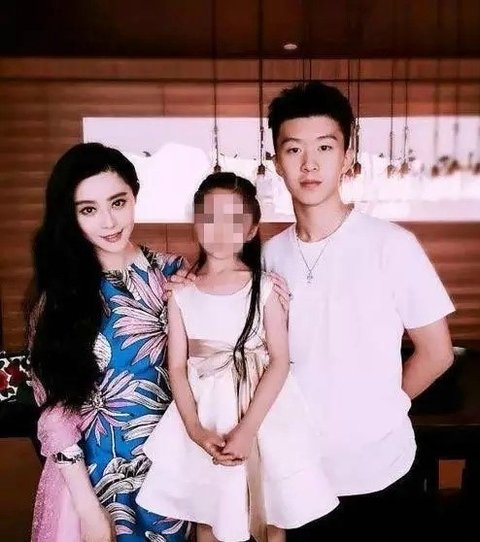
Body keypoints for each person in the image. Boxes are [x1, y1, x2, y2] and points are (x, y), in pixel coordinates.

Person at [262, 81, 456, 539]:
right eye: (294, 149)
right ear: (277, 162)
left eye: (325, 147)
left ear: (347, 156)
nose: (309, 164)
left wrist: (383, 407)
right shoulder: (269, 255)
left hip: (382, 472)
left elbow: (438, 352)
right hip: (298, 474)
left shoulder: (392, 245)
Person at [136, 172, 338, 542]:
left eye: (233, 220)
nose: (219, 230)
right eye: (209, 217)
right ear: (196, 222)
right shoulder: (180, 293)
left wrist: (247, 430)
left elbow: (279, 361)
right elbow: (176, 367)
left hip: (264, 416)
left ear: (250, 229)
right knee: (208, 513)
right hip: (207, 415)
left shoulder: (266, 287)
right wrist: (196, 430)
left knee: (272, 512)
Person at [27, 142, 190, 542]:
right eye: (88, 209)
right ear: (70, 215)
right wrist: (88, 508)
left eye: (118, 202)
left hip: (175, 474)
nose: (108, 221)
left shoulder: (175, 274)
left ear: (135, 195)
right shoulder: (60, 295)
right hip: (95, 480)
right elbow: (54, 412)